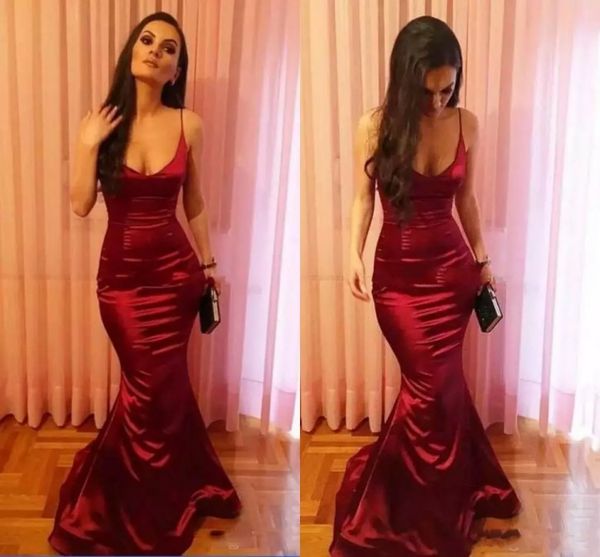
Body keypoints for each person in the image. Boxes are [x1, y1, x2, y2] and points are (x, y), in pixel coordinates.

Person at [48, 12, 241, 556]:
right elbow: (81, 205)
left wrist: (207, 264)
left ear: (177, 69)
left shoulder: (189, 124)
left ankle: (163, 489)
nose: (156, 50)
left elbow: (194, 202)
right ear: (132, 52)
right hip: (122, 283)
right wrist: (87, 144)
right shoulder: (101, 122)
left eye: (169, 48)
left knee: (163, 387)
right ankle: (133, 497)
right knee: (146, 388)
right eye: (148, 40)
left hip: (176, 277)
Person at [330, 16, 521, 557]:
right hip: (399, 280)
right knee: (430, 387)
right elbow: (363, 199)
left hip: (453, 274)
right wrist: (351, 253)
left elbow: (466, 200)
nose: (438, 101)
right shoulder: (375, 126)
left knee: (441, 388)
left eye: (447, 89)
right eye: (427, 91)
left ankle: (437, 490)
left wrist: (482, 259)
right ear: (404, 80)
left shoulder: (467, 124)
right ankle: (408, 500)